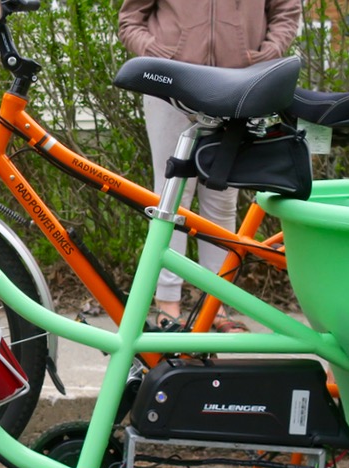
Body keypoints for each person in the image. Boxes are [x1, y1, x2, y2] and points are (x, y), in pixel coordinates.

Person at [118, 0, 301, 332]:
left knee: (222, 195)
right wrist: (156, 53)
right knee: (171, 193)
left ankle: (216, 304)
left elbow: (286, 11)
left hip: (237, 84)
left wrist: (268, 52)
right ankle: (167, 301)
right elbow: (130, 19)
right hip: (169, 84)